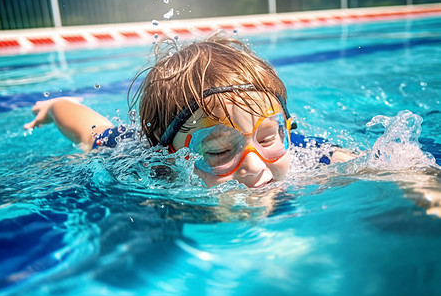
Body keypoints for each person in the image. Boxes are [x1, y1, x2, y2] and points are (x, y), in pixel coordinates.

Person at [24, 32, 355, 188]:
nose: (254, 165)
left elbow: (377, 162)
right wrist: (55, 105)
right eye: (218, 149)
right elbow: (86, 125)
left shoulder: (296, 152)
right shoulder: (144, 162)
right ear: (168, 153)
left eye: (268, 136)